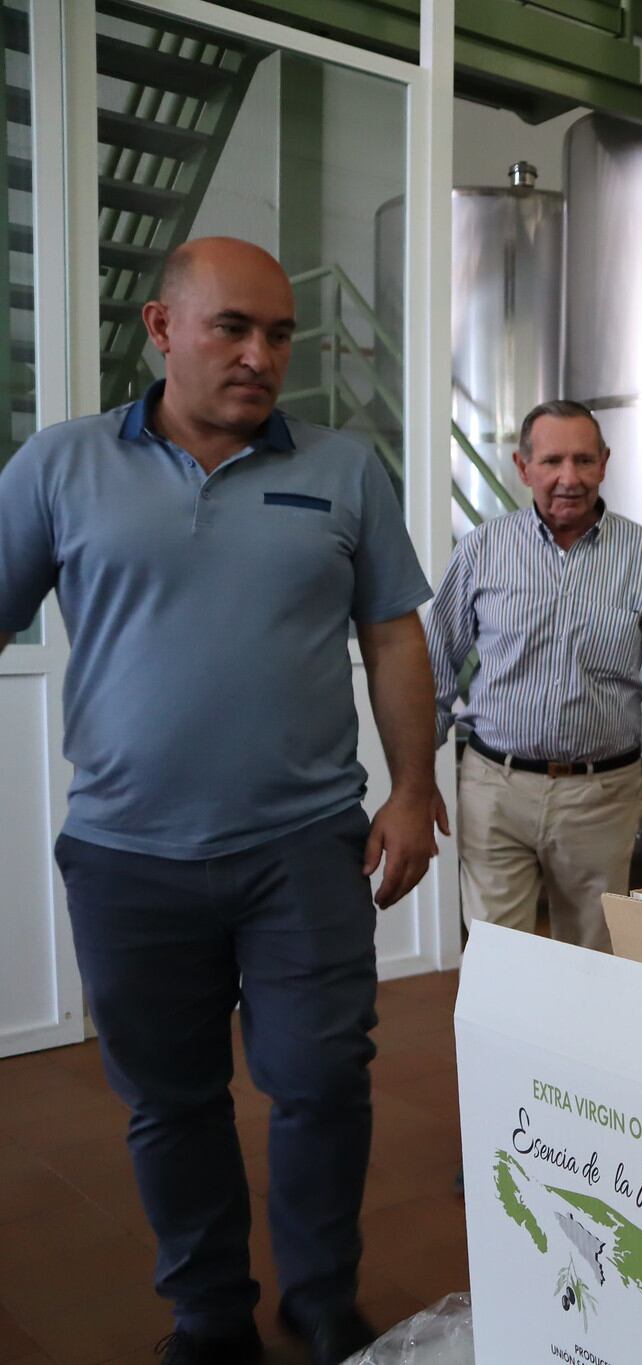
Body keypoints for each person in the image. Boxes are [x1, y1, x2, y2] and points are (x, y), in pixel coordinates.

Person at [0, 238, 441, 1364]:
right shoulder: (60, 467)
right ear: (160, 327)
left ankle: (322, 1297)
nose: (260, 356)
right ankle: (208, 1315)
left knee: (323, 1078)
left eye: (280, 335)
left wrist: (410, 788)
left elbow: (392, 635)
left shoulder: (344, 469)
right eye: (231, 328)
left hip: (303, 847)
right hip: (125, 857)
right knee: (173, 1100)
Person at [427, 399, 642, 952]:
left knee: (592, 960)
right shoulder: (482, 551)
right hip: (495, 789)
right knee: (498, 960)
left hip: (601, 796)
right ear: (523, 467)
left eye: (584, 461)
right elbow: (434, 669)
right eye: (553, 461)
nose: (569, 478)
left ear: (605, 463)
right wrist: (418, 774)